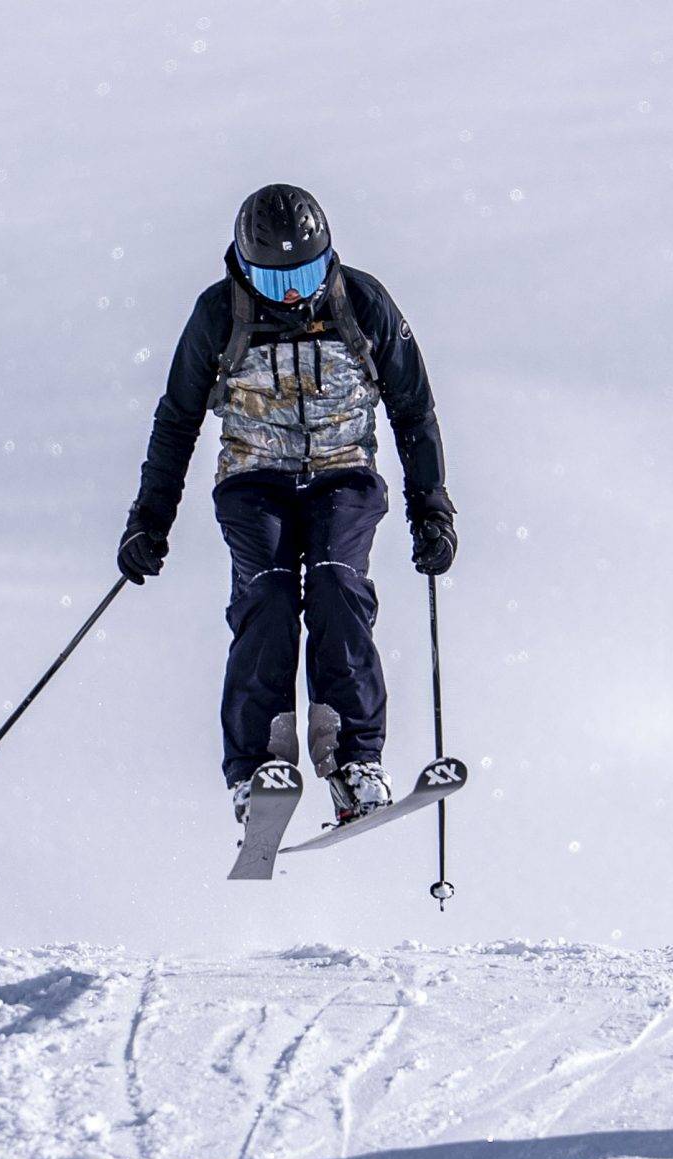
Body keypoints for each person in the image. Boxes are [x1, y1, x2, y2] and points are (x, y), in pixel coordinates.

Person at [116, 184, 456, 827]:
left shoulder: (364, 302)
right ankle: (257, 770)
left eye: (306, 272)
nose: (294, 293)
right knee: (267, 600)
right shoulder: (218, 314)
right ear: (245, 270)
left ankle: (355, 761)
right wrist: (149, 523)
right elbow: (177, 419)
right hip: (254, 482)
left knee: (337, 588)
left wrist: (431, 508)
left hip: (343, 477)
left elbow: (413, 408)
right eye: (278, 279)